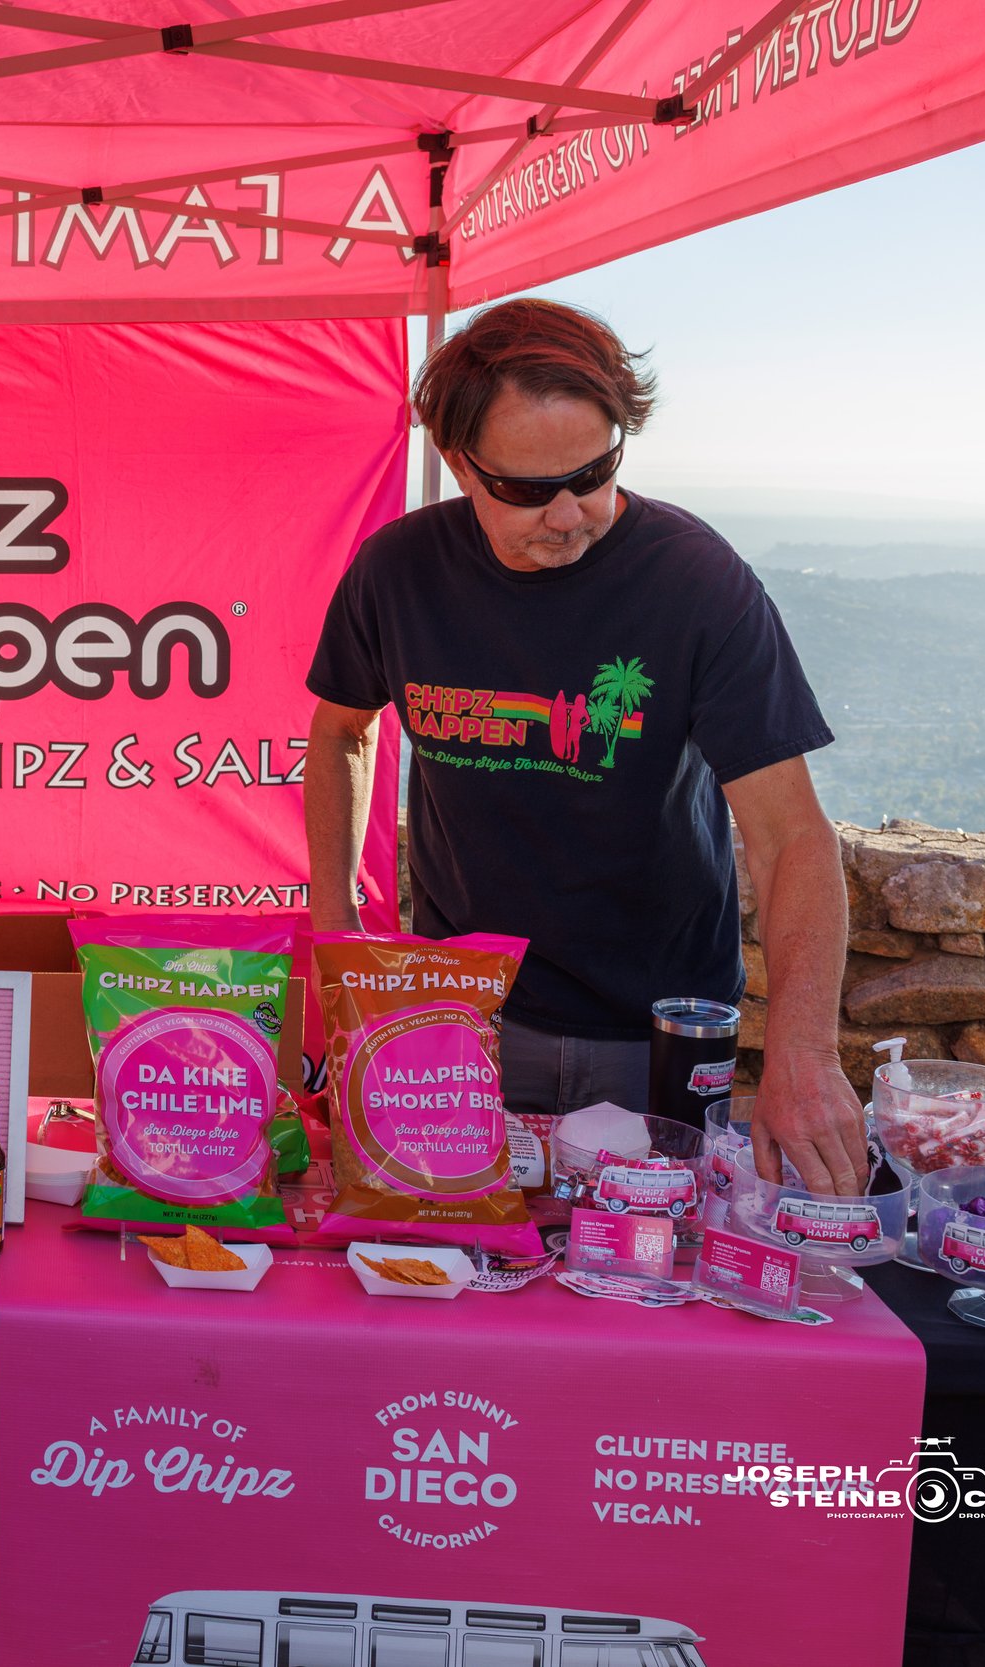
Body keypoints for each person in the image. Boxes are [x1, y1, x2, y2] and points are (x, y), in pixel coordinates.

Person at [303, 300, 866, 1195]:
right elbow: (339, 730)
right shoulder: (397, 571)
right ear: (458, 463)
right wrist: (334, 929)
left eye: (595, 472)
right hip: (462, 1020)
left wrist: (803, 1049)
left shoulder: (696, 581)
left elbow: (791, 834)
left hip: (659, 1036)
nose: (570, 515)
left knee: (650, 1285)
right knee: (459, 1280)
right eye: (527, 490)